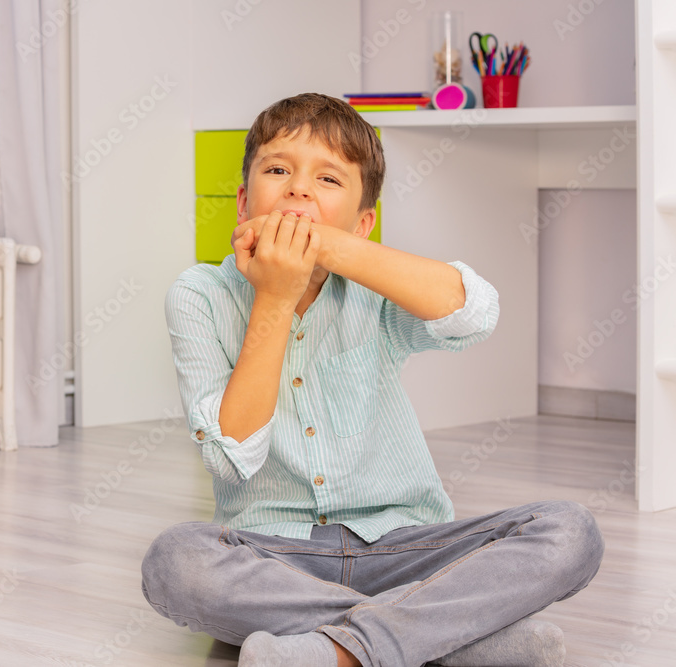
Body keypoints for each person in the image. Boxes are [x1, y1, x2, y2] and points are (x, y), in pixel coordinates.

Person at [141, 93, 604, 667]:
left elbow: (474, 312)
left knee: (569, 530)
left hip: (406, 546)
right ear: (242, 202)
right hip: (277, 555)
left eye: (327, 179)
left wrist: (331, 250)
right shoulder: (198, 295)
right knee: (175, 561)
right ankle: (448, 640)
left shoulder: (374, 290)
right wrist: (276, 298)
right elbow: (232, 456)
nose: (298, 189)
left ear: (364, 225)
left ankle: (339, 652)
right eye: (278, 170)